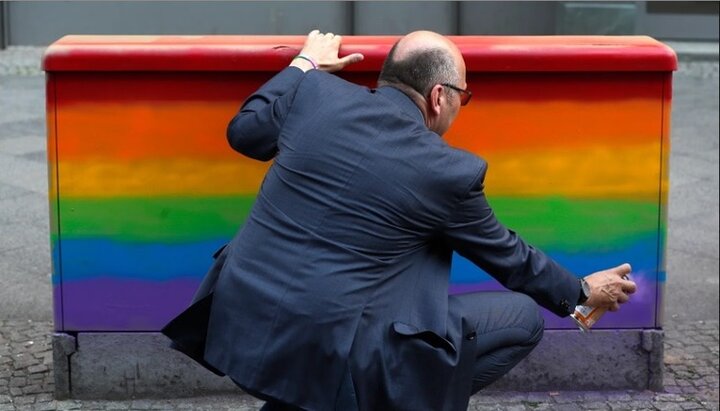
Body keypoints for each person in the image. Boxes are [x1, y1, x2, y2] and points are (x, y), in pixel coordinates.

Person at [162, 30, 637, 411]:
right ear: (438, 96)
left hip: (243, 320)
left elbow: (244, 132)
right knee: (521, 320)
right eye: (463, 96)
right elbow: (510, 257)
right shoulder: (448, 170)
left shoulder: (314, 95)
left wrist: (303, 64)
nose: (459, 106)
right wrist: (581, 292)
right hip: (332, 347)